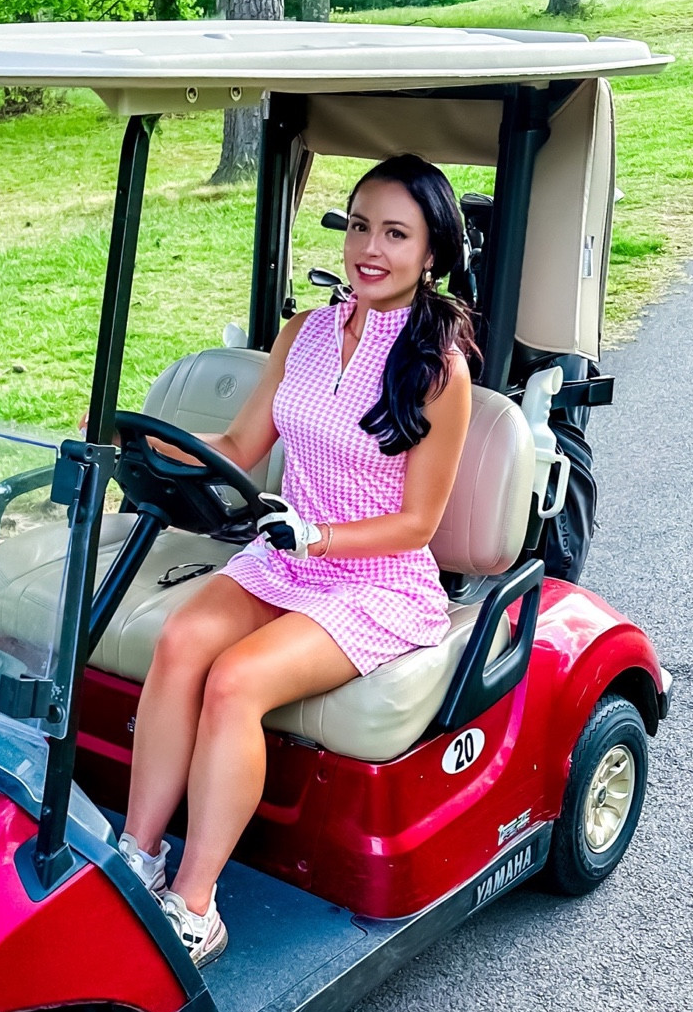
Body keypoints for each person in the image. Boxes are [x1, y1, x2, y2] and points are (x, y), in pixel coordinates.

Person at [117, 154, 477, 963]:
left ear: (431, 253)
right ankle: (137, 857)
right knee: (181, 644)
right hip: (288, 555)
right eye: (358, 226)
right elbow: (244, 445)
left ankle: (196, 905)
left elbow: (417, 524)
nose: (369, 249)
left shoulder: (438, 370)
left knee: (236, 681)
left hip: (374, 580)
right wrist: (135, 440)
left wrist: (318, 537)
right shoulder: (306, 332)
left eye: (395, 233)